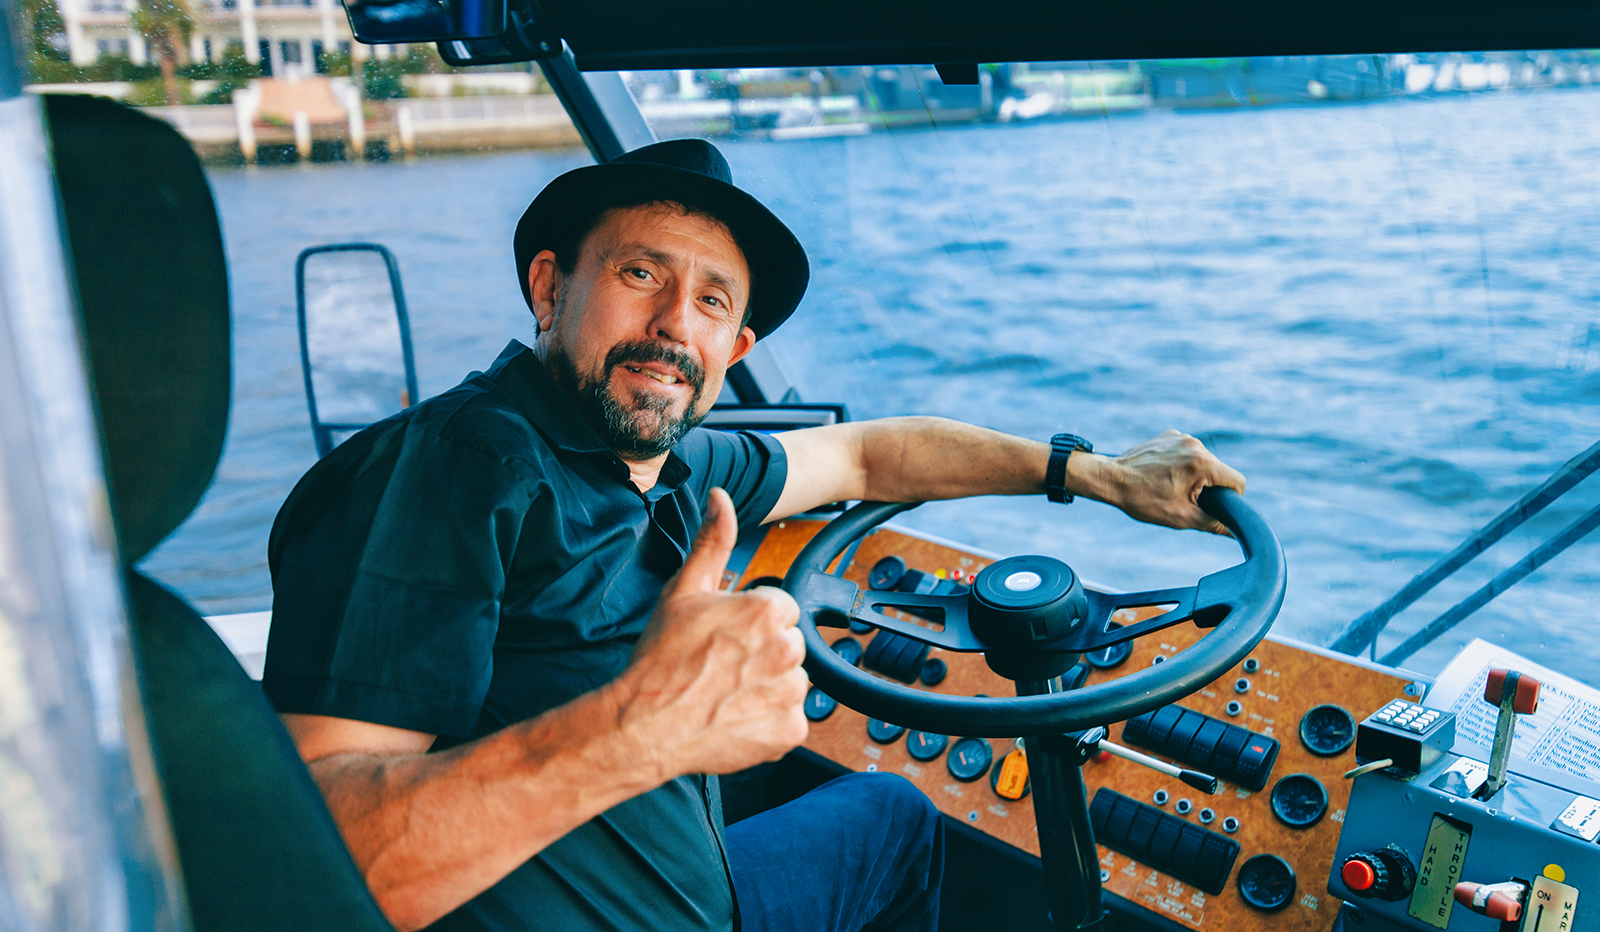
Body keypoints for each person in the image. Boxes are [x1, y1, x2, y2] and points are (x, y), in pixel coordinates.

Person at [261, 139, 1244, 932]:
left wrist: (1095, 474)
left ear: (734, 350)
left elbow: (870, 457)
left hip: (696, 901)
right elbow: (318, 870)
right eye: (639, 272)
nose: (670, 325)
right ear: (549, 288)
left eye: (711, 301)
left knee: (893, 816)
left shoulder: (675, 463)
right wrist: (642, 731)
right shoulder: (454, 469)